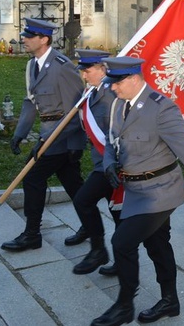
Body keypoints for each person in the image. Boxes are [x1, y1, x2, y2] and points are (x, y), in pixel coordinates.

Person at [90, 56, 184, 326]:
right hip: (134, 189)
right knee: (157, 244)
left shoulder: (160, 108)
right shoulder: (118, 103)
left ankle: (124, 306)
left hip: (160, 191)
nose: (112, 88)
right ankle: (170, 301)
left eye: (116, 83)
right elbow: (111, 140)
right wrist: (109, 165)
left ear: (133, 79)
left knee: (122, 242)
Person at [2, 18, 86, 252]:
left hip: (62, 138)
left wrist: (69, 145)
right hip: (49, 134)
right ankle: (91, 226)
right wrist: (20, 133)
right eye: (25, 36)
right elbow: (30, 102)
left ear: (44, 39)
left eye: (29, 36)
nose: (24, 39)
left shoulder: (62, 66)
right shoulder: (32, 66)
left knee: (32, 178)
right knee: (73, 185)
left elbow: (76, 111)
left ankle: (31, 235)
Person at [68, 49, 120, 276]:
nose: (84, 75)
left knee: (83, 200)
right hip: (103, 164)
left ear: (102, 69)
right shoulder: (92, 93)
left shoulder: (109, 96)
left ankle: (99, 251)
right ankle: (119, 260)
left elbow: (116, 133)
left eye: (87, 71)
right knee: (119, 215)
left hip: (112, 165)